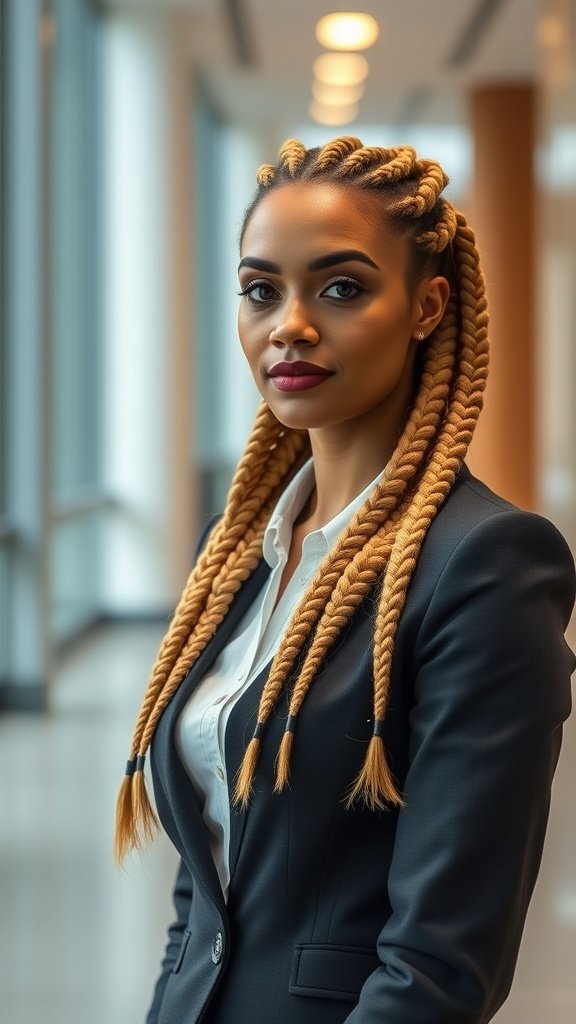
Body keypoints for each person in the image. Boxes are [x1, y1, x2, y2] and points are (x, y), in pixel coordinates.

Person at [114, 137, 575, 1024]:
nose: (290, 323)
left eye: (341, 288)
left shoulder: (487, 564)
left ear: (426, 306)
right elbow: (205, 886)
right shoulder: (236, 549)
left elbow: (441, 964)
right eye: (261, 291)